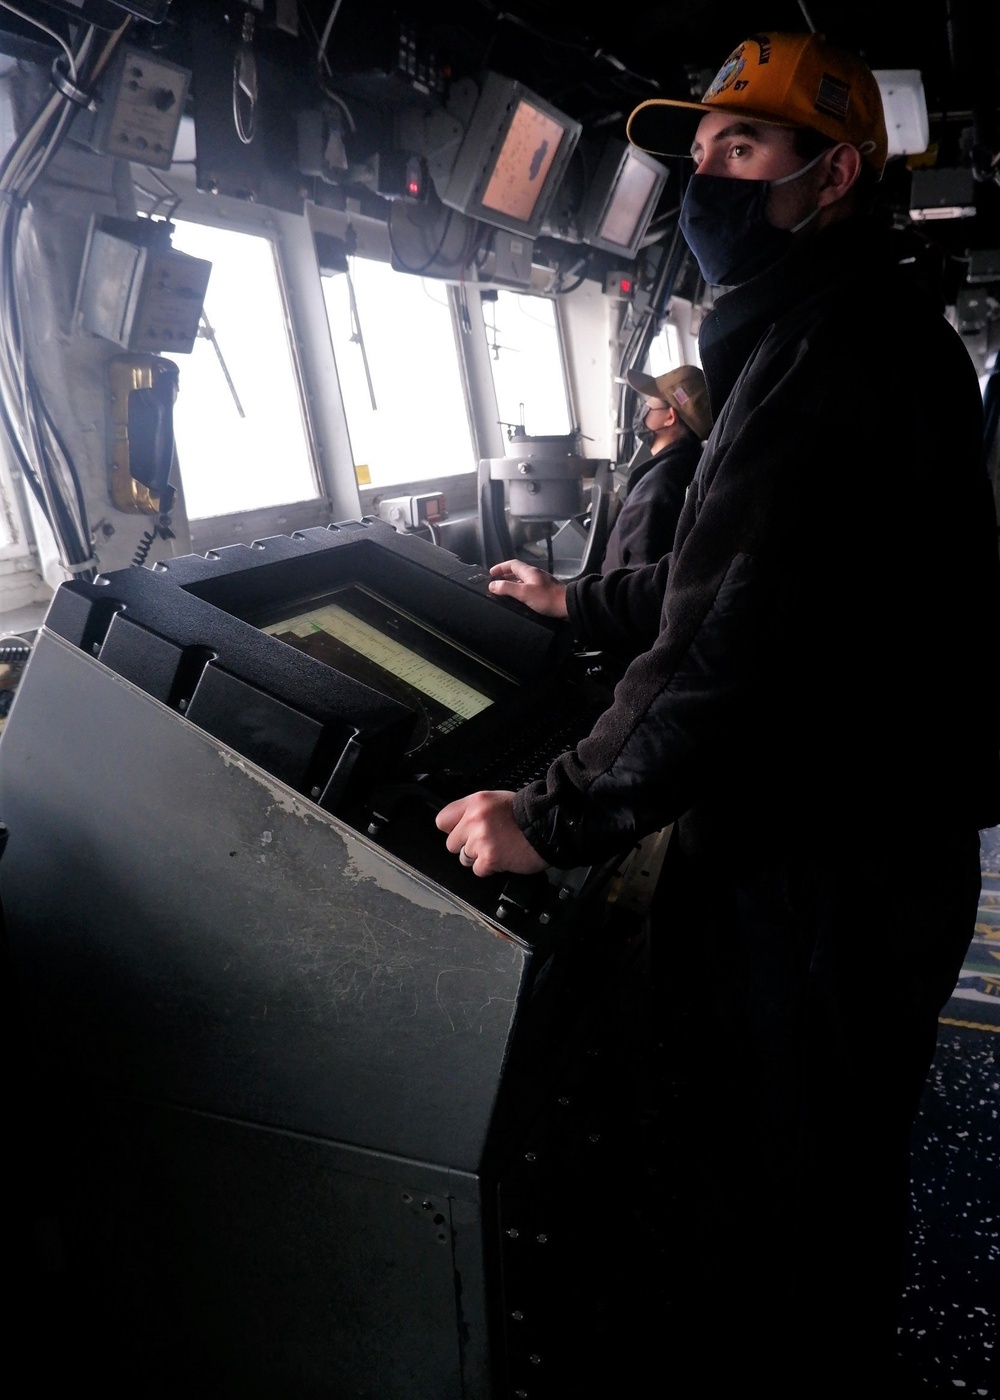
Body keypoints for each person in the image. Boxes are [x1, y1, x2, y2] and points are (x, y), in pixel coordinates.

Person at [436, 28, 1000, 1398]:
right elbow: (733, 577)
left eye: (742, 149)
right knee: (822, 1168)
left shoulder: (834, 348)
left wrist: (554, 813)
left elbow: (734, 631)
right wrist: (589, 610)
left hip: (830, 862)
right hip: (864, 835)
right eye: (700, 154)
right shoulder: (826, 331)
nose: (709, 178)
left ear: (838, 173)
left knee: (786, 1177)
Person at [601, 364, 712, 572]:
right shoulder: (692, 465)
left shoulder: (656, 488)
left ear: (670, 416)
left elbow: (641, 579)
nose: (641, 410)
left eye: (647, 404)